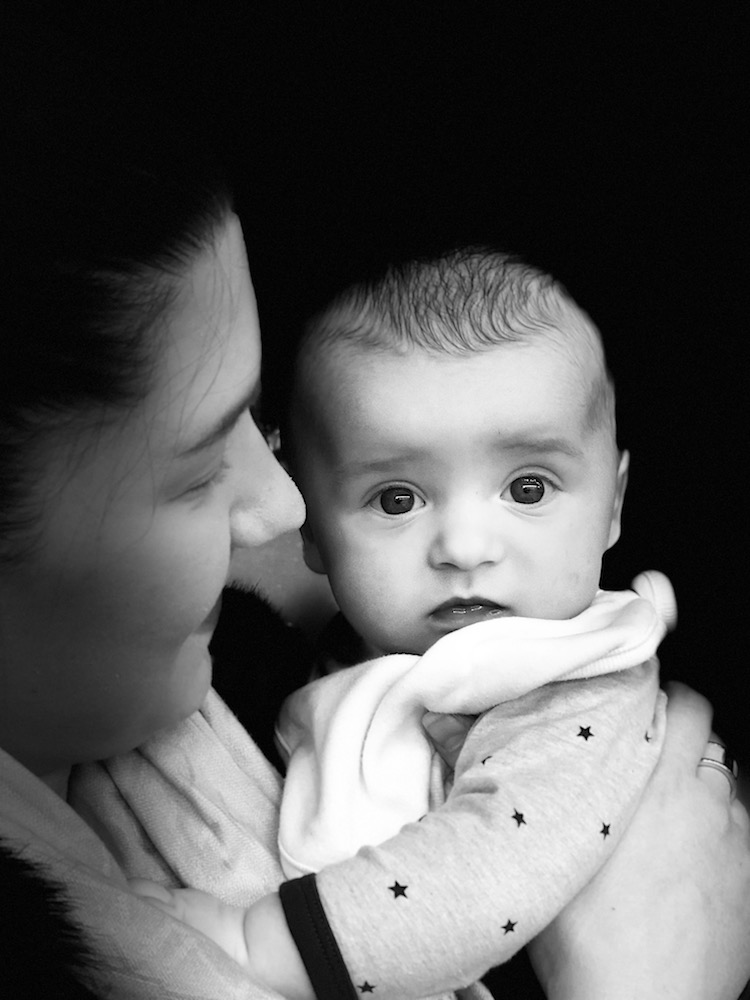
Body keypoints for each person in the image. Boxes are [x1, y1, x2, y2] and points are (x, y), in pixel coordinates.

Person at [2, 39, 750, 1000]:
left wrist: (260, 940)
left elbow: (487, 872)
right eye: (396, 499)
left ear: (616, 503)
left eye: (529, 488)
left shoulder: (573, 693)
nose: (467, 547)